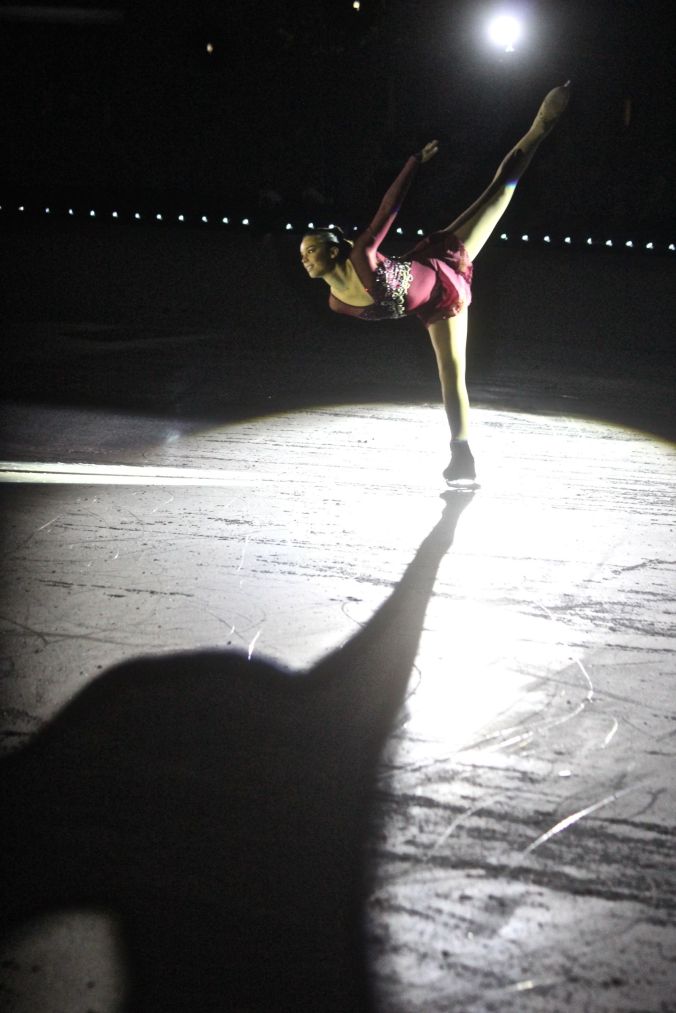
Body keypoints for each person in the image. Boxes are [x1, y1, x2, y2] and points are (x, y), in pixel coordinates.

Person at [300, 83, 570, 484]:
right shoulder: (336, 304)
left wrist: (414, 161)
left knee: (498, 190)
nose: (304, 259)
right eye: (302, 254)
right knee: (451, 373)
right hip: (436, 305)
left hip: (445, 260)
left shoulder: (361, 256)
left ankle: (537, 130)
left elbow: (387, 209)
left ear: (334, 251)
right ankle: (462, 455)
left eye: (310, 250)